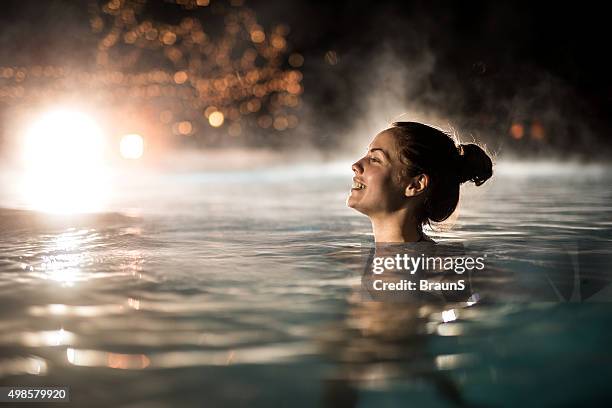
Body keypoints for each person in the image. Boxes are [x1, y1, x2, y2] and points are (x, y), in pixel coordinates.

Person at [347, 121, 493, 243]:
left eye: (375, 159)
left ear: (416, 185)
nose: (356, 165)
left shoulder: (432, 270)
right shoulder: (401, 264)